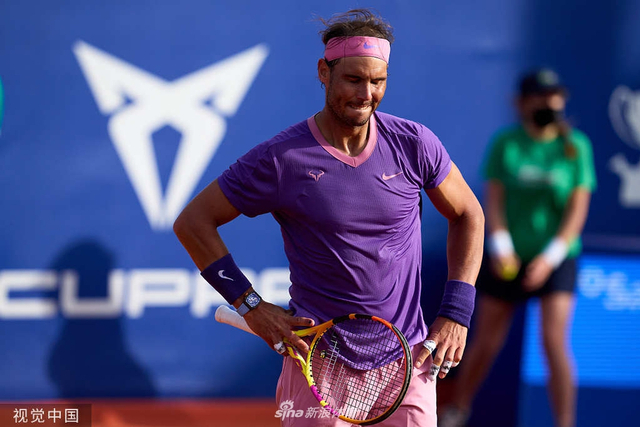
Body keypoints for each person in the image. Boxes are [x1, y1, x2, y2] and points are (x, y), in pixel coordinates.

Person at [174, 9, 484, 427]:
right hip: (317, 368)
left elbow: (468, 213)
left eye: (378, 82)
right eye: (353, 80)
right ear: (324, 72)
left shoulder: (415, 144)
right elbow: (193, 222)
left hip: (409, 364)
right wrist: (251, 306)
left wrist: (457, 312)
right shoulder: (282, 158)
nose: (366, 94)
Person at [438, 69, 596, 427]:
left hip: (556, 258)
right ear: (522, 103)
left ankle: (565, 422)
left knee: (554, 341)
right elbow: (492, 203)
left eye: (554, 95)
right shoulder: (506, 143)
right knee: (485, 342)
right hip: (506, 257)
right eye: (540, 96)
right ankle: (457, 410)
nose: (548, 102)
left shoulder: (576, 146)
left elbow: (576, 212)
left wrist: (549, 258)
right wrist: (502, 247)